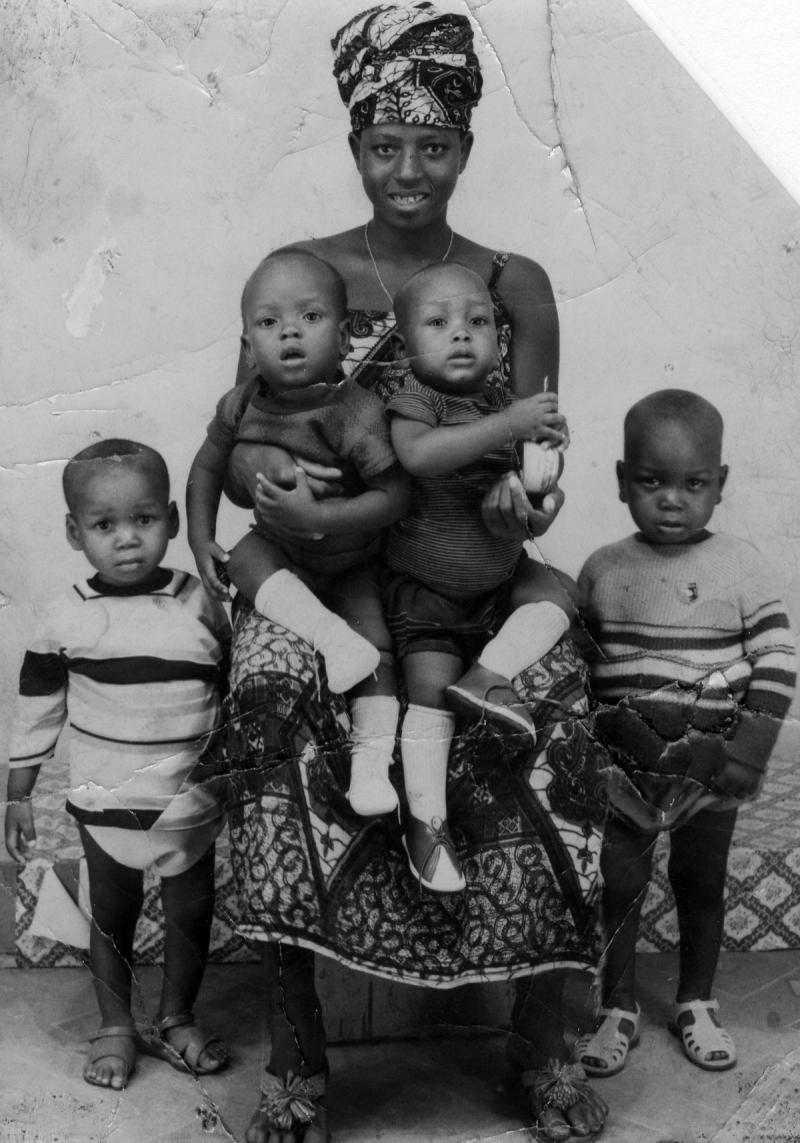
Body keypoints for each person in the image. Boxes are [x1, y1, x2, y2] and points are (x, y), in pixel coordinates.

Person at [221, 5, 609, 1141]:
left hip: (467, 565)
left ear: (466, 151)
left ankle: (539, 1051)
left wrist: (524, 492)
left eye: (432, 145)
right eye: (382, 146)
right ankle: (296, 1067)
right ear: (351, 149)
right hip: (335, 564)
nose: (406, 169)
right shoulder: (301, 276)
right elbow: (248, 431)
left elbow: (539, 452)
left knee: (557, 713)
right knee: (271, 698)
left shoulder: (511, 280)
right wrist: (265, 498)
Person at [576, 390, 796, 1077]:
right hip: (623, 774)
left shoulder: (741, 564)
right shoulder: (605, 568)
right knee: (620, 885)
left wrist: (748, 754)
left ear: (720, 484)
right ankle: (616, 1007)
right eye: (651, 481)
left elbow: (778, 660)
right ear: (620, 480)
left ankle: (696, 1000)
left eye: (693, 483)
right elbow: (581, 667)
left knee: (701, 881)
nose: (672, 499)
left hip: (709, 773)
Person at [4, 440, 231, 1091]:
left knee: (191, 915)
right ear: (77, 532)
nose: (128, 540)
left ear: (172, 519)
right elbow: (39, 708)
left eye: (145, 520)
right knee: (112, 914)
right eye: (106, 525)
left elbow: (231, 693)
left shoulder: (201, 603)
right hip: (105, 804)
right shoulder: (65, 616)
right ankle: (114, 1025)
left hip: (189, 806)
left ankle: (175, 1016)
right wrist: (19, 791)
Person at [187, 251, 409, 816]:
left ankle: (370, 770)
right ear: (246, 346)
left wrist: (322, 519)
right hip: (284, 550)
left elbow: (396, 495)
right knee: (244, 557)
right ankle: (328, 637)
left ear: (344, 339)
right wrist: (199, 536)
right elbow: (208, 466)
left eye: (310, 318)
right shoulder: (240, 404)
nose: (289, 332)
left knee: (378, 651)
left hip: (353, 557)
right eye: (268, 323)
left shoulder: (354, 412)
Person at [384, 261, 574, 893]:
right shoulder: (417, 398)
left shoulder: (503, 403)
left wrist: (539, 503)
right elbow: (418, 456)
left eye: (478, 321)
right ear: (408, 346)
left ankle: (489, 675)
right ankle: (427, 825)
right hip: (430, 589)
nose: (460, 334)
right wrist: (509, 424)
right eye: (438, 324)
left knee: (562, 595)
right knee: (427, 689)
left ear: (499, 337)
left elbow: (534, 504)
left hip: (499, 574)